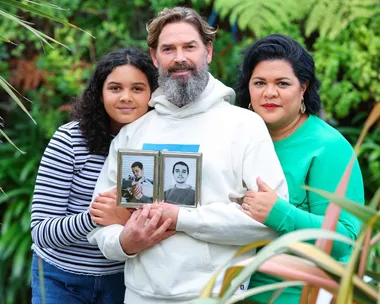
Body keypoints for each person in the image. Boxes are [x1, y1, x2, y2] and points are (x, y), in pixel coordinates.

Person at [88, 7, 289, 304]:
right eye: (168, 49)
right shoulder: (135, 132)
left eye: (189, 47)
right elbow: (102, 220)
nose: (179, 57)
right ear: (155, 58)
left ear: (207, 51)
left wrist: (180, 217)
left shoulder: (244, 126)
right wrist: (125, 242)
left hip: (218, 296)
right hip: (139, 296)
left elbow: (270, 220)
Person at [235, 34, 365, 303]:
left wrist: (278, 213)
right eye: (259, 83)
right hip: (230, 289)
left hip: (299, 294)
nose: (269, 93)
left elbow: (344, 239)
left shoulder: (328, 147)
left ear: (303, 87)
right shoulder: (235, 137)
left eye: (282, 83)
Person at [30, 47, 158, 303]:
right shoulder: (70, 140)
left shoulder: (156, 145)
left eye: (137, 88)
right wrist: (96, 217)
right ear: (99, 93)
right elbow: (41, 231)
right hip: (61, 278)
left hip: (123, 280)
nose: (126, 97)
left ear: (153, 94)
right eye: (115, 88)